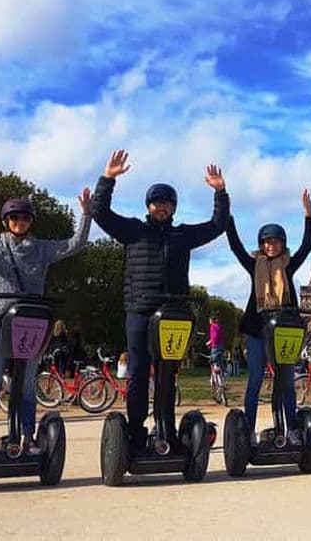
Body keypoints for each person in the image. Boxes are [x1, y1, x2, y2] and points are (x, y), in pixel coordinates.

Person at [91, 149, 229, 453]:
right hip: (139, 310)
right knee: (139, 373)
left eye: (166, 203)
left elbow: (217, 226)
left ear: (173, 208)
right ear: (148, 206)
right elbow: (100, 213)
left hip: (173, 312)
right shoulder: (132, 230)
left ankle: (165, 426)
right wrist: (108, 179)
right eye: (156, 203)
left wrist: (220, 192)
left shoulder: (183, 235)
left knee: (168, 373)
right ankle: (137, 431)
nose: (160, 207)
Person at [0, 178, 91, 454]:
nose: (19, 221)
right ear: (6, 221)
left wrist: (86, 215)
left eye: (25, 217)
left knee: (26, 383)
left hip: (31, 324)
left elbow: (76, 243)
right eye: (14, 217)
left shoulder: (42, 250)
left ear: (31, 222)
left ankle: (27, 437)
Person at [225, 189, 311, 446]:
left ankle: (292, 430)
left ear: (282, 243)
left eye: (275, 241)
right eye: (266, 242)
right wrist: (228, 214)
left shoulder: (289, 264)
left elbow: (308, 246)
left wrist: (308, 215)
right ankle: (249, 431)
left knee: (286, 381)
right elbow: (235, 246)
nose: (270, 245)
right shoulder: (254, 265)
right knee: (254, 380)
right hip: (257, 329)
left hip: (284, 327)